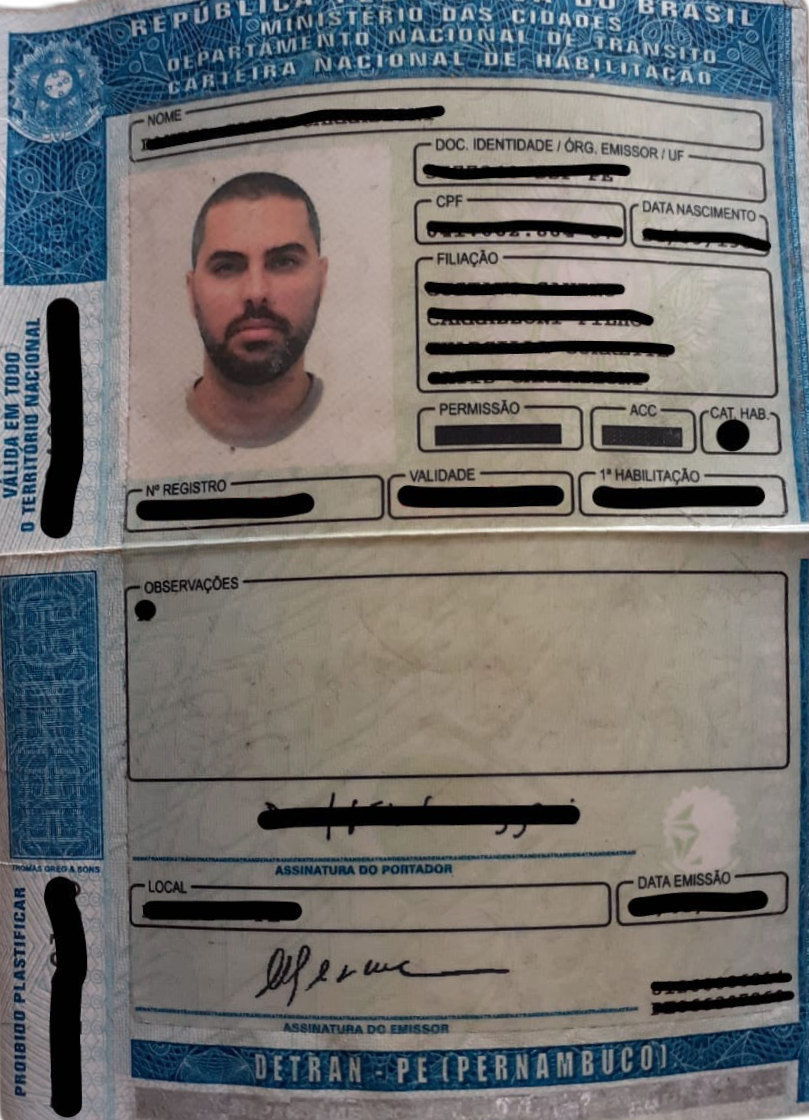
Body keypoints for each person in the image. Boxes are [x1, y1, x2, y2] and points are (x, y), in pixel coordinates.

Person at [185, 171, 328, 448]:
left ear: (321, 280)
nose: (256, 292)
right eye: (227, 267)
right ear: (192, 292)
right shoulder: (148, 431)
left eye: (283, 262)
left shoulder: (369, 426)